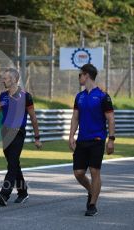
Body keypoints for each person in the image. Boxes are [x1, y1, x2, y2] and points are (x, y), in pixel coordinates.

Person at [0, 68, 42, 206]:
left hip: (18, 133)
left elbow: (34, 118)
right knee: (14, 164)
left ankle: (4, 194)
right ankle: (23, 192)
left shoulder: (26, 96)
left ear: (13, 80)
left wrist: (37, 137)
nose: (3, 80)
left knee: (12, 164)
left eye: (5, 78)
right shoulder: (3, 96)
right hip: (5, 132)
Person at [69, 63, 115, 216]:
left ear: (86, 75)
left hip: (97, 139)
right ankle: (92, 191)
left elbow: (110, 118)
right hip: (82, 140)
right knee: (78, 173)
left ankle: (92, 204)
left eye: (80, 75)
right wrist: (71, 136)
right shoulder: (79, 96)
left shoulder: (103, 96)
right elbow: (75, 117)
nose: (79, 78)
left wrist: (111, 140)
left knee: (95, 171)